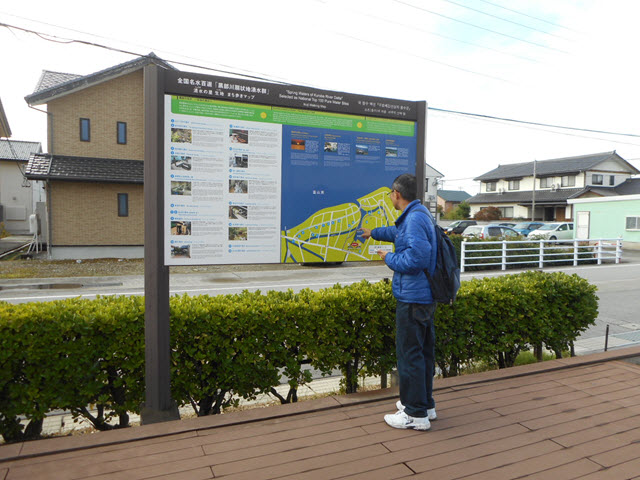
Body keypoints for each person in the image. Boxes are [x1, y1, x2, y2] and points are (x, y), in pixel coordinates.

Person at [359, 173, 438, 431]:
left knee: (409, 356)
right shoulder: (418, 214)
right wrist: (373, 233)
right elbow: (397, 233)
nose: (390, 197)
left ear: (397, 194)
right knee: (422, 354)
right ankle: (424, 406)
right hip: (423, 297)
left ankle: (415, 415)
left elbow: (417, 259)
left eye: (391, 194)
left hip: (413, 298)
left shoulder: (413, 219)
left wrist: (389, 259)